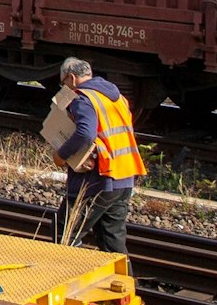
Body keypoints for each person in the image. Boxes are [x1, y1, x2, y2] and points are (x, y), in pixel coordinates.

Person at [51, 58, 147, 254]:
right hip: (124, 177)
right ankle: (123, 274)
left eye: (63, 83)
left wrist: (62, 155)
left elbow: (85, 133)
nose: (64, 89)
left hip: (99, 178)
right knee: (112, 242)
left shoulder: (82, 98)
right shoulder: (115, 95)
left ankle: (72, 272)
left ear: (71, 78)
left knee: (65, 233)